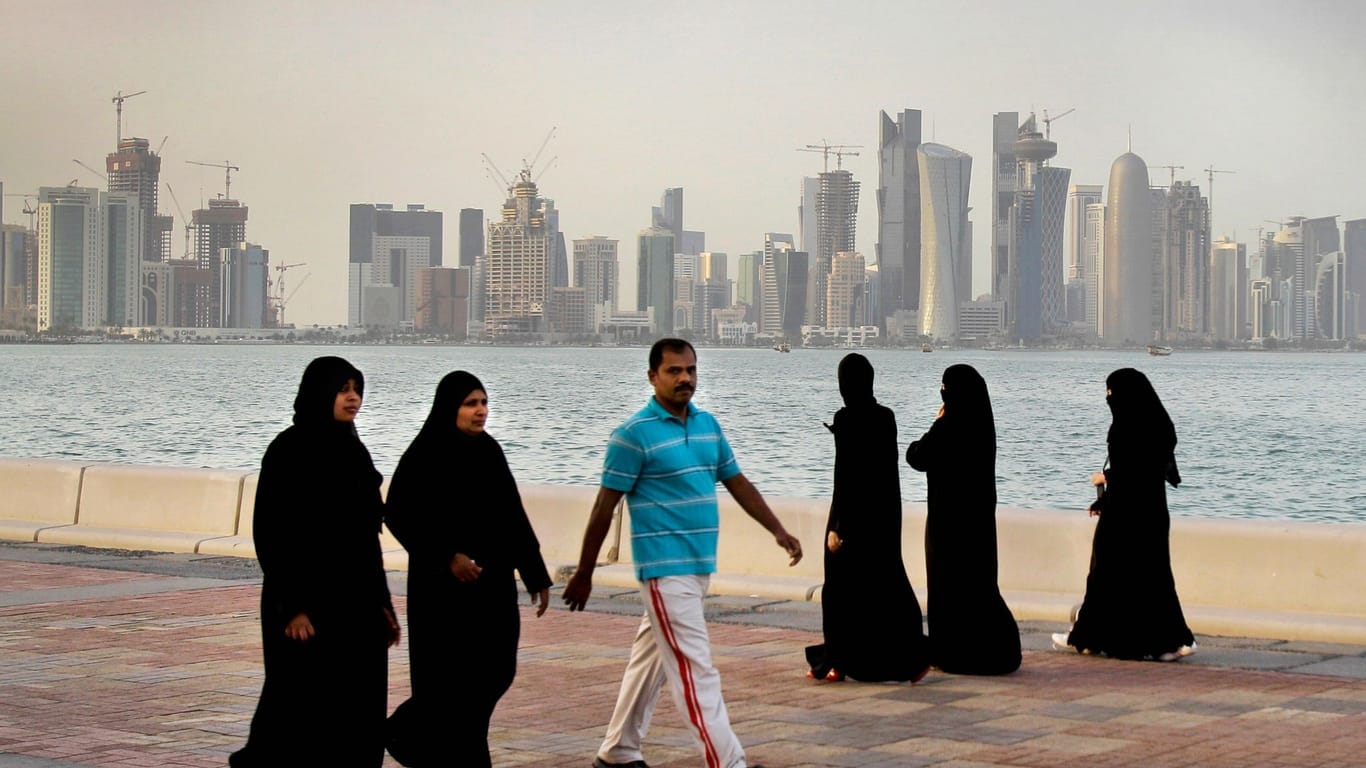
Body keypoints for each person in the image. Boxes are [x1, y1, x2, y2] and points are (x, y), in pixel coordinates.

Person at [563, 338, 802, 768]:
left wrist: (778, 530)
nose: (684, 378)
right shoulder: (633, 436)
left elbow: (738, 483)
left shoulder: (708, 425)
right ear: (652, 376)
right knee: (697, 670)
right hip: (664, 569)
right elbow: (604, 508)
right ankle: (728, 762)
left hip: (697, 566)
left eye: (690, 370)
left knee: (650, 660)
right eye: (673, 371)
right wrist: (584, 572)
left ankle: (617, 751)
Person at [230, 356, 401, 767]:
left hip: (356, 607)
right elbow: (272, 535)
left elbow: (366, 540)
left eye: (357, 389)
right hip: (306, 609)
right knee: (297, 711)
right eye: (343, 390)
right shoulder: (288, 450)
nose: (353, 398)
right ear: (319, 393)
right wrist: (293, 608)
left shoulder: (354, 452)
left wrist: (383, 604)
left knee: (358, 713)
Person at [383, 371, 552, 767]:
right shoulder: (425, 453)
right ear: (450, 408)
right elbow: (398, 514)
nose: (481, 411)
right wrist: (447, 556)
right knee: (449, 684)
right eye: (470, 404)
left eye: (484, 403)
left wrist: (535, 573)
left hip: (491, 589)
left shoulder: (489, 451)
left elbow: (513, 515)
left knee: (495, 672)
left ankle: (403, 734)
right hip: (442, 594)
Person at [1054, 368, 1196, 661]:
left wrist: (1104, 479)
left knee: (1105, 575)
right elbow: (1147, 471)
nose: (1109, 398)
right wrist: (1106, 494)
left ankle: (1088, 637)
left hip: (1124, 516)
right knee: (1152, 577)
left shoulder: (1125, 427)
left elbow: (1132, 470)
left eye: (1112, 392)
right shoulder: (1158, 425)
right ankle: (1167, 642)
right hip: (1151, 514)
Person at [804, 353, 931, 683]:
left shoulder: (846, 419)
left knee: (839, 589)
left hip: (852, 517)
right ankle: (914, 657)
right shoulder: (886, 417)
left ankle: (837, 659)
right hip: (884, 518)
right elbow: (883, 472)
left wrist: (837, 528)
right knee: (889, 587)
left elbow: (846, 476)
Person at [906, 364, 1022, 675]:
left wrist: (936, 423)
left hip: (947, 522)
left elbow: (916, 456)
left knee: (949, 588)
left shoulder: (949, 425)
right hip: (978, 520)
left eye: (946, 387)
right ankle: (993, 649)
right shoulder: (983, 424)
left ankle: (952, 650)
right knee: (978, 586)